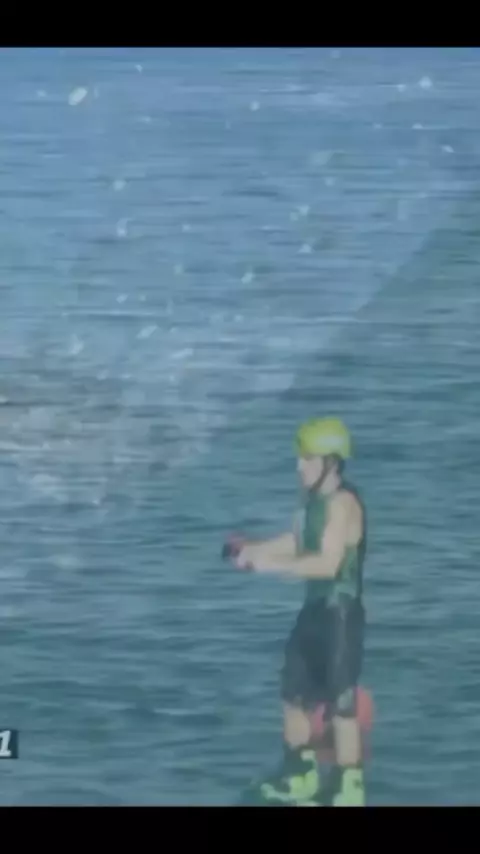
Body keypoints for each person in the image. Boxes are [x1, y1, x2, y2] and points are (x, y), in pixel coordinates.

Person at [232, 417, 367, 806]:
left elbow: (326, 563)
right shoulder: (311, 502)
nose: (299, 465)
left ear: (330, 462)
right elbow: (297, 540)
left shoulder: (343, 504)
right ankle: (300, 773)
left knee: (341, 702)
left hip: (340, 614)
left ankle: (348, 788)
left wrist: (268, 566)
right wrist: (254, 550)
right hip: (314, 611)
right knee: (293, 692)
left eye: (307, 458)